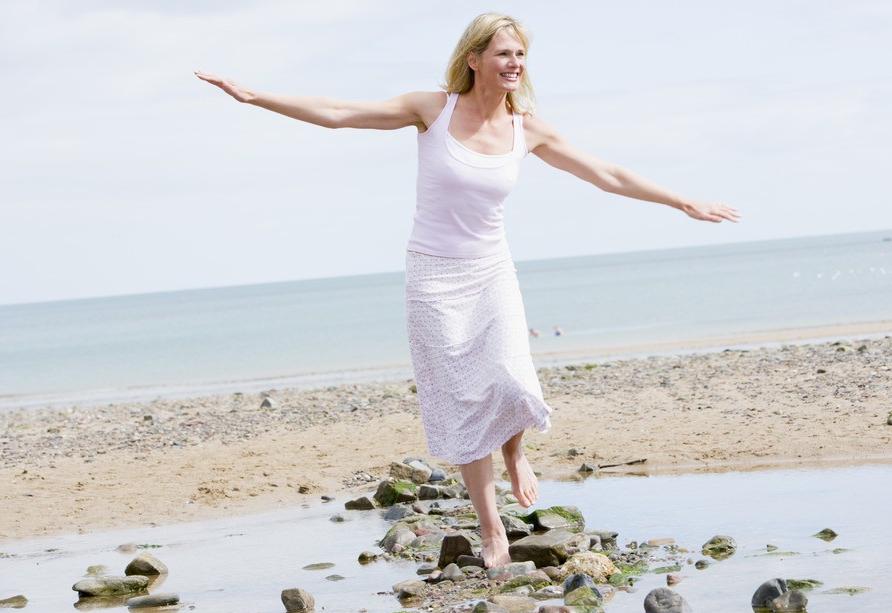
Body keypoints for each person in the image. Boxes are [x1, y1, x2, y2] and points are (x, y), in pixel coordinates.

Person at [195, 12, 739, 568]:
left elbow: (608, 173)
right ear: (474, 58)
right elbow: (338, 114)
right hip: (433, 273)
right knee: (461, 396)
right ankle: (490, 526)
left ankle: (516, 451)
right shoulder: (432, 109)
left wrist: (682, 201)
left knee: (509, 371)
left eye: (521, 55)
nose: (514, 64)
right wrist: (255, 96)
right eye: (504, 54)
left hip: (491, 268)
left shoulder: (528, 128)